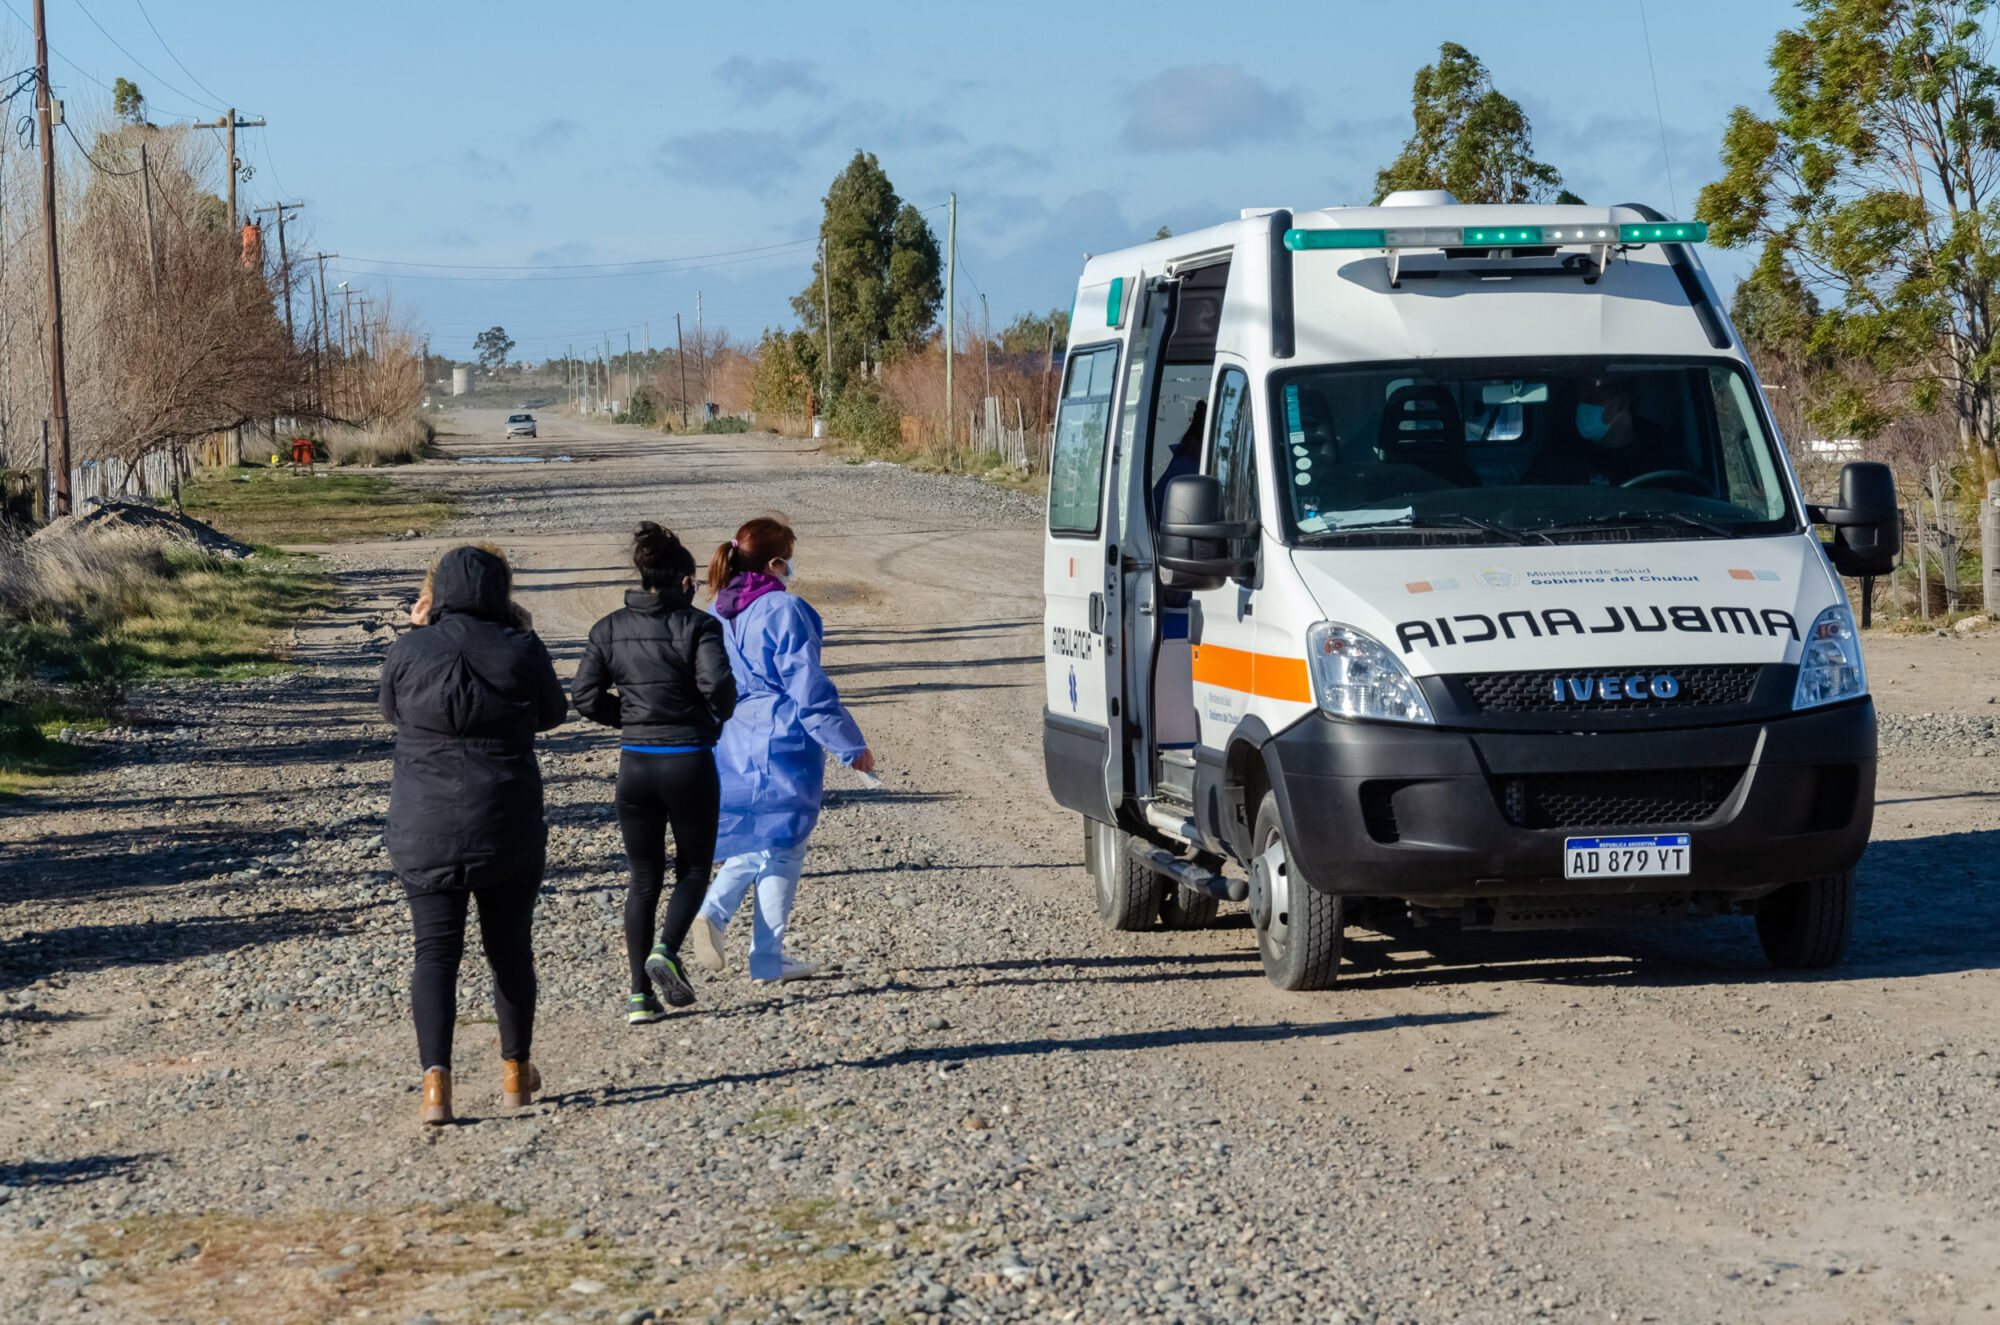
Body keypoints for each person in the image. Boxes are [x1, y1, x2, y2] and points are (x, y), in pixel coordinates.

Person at [380, 544, 566, 1126]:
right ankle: (515, 1072)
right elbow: (553, 714)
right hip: (505, 819)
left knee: (434, 952)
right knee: (509, 949)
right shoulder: (521, 648)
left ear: (438, 592)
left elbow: (391, 711)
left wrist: (420, 632)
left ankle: (436, 1086)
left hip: (423, 824)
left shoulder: (407, 650)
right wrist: (527, 636)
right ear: (499, 592)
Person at [690, 516, 873, 985]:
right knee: (785, 844)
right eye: (788, 559)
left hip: (734, 737)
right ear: (775, 562)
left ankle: (748, 942)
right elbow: (808, 688)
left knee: (761, 836)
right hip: (782, 737)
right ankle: (745, 938)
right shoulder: (784, 609)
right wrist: (850, 746)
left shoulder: (717, 611)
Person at [571, 523, 737, 1026]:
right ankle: (666, 949)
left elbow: (584, 697)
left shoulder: (607, 628)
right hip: (689, 761)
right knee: (693, 870)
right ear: (685, 582)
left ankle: (639, 997)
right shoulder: (700, 626)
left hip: (636, 765)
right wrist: (710, 721)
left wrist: (629, 719)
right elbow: (718, 687)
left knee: (643, 879)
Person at [1524, 377, 1669, 488]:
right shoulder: (1563, 448)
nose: (1582, 407)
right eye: (1579, 400)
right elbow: (1531, 495)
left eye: (1591, 399)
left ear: (1621, 403)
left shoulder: (1660, 448)